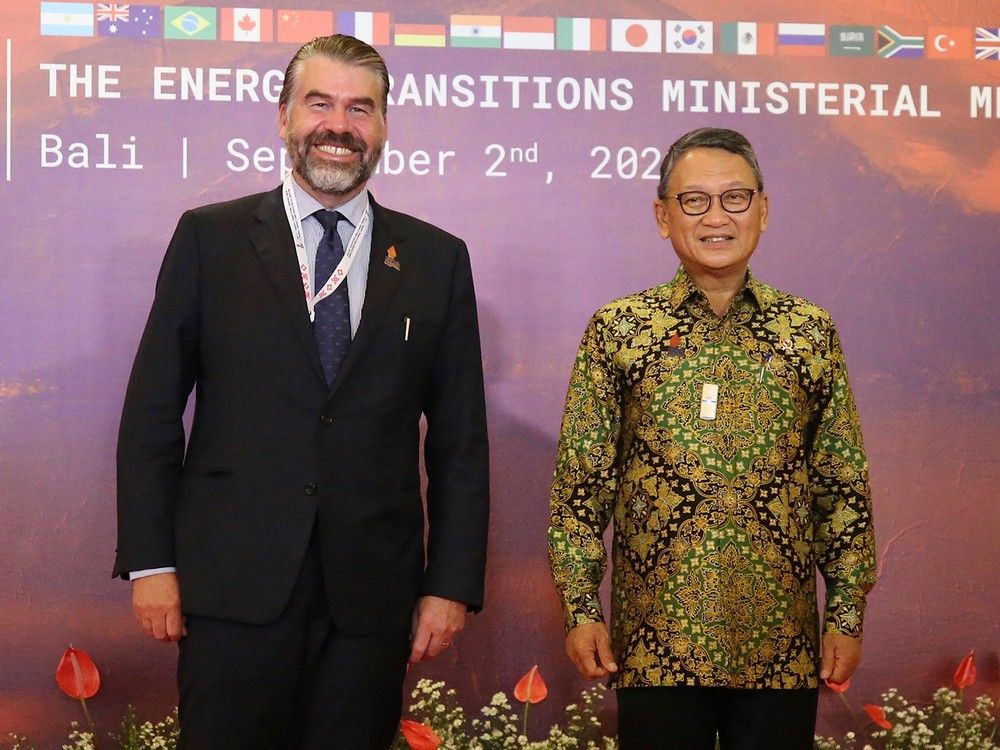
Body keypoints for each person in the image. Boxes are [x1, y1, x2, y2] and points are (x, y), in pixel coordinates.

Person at [114, 35, 489, 750]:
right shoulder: (210, 239)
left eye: (360, 108)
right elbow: (153, 413)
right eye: (320, 103)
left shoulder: (436, 259)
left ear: (383, 126)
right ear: (284, 115)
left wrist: (450, 583)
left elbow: (460, 441)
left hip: (370, 599)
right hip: (229, 586)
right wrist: (151, 562)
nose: (339, 126)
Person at [547, 127, 875, 749]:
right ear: (662, 216)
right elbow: (580, 489)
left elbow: (843, 486)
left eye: (736, 198)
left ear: (764, 210)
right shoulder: (620, 331)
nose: (717, 217)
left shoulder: (809, 332)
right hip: (655, 647)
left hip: (782, 650)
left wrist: (846, 612)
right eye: (694, 200)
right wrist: (582, 607)